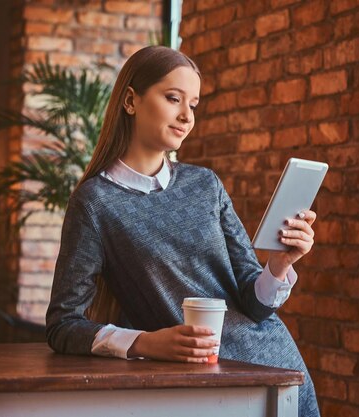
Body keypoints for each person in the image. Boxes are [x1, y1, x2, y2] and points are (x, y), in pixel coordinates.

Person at [45, 45, 320, 417]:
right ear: (131, 100)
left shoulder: (205, 184)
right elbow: (63, 325)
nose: (186, 116)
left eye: (193, 104)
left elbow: (253, 303)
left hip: (276, 367)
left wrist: (279, 266)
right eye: (173, 98)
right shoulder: (95, 203)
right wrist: (146, 343)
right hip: (200, 389)